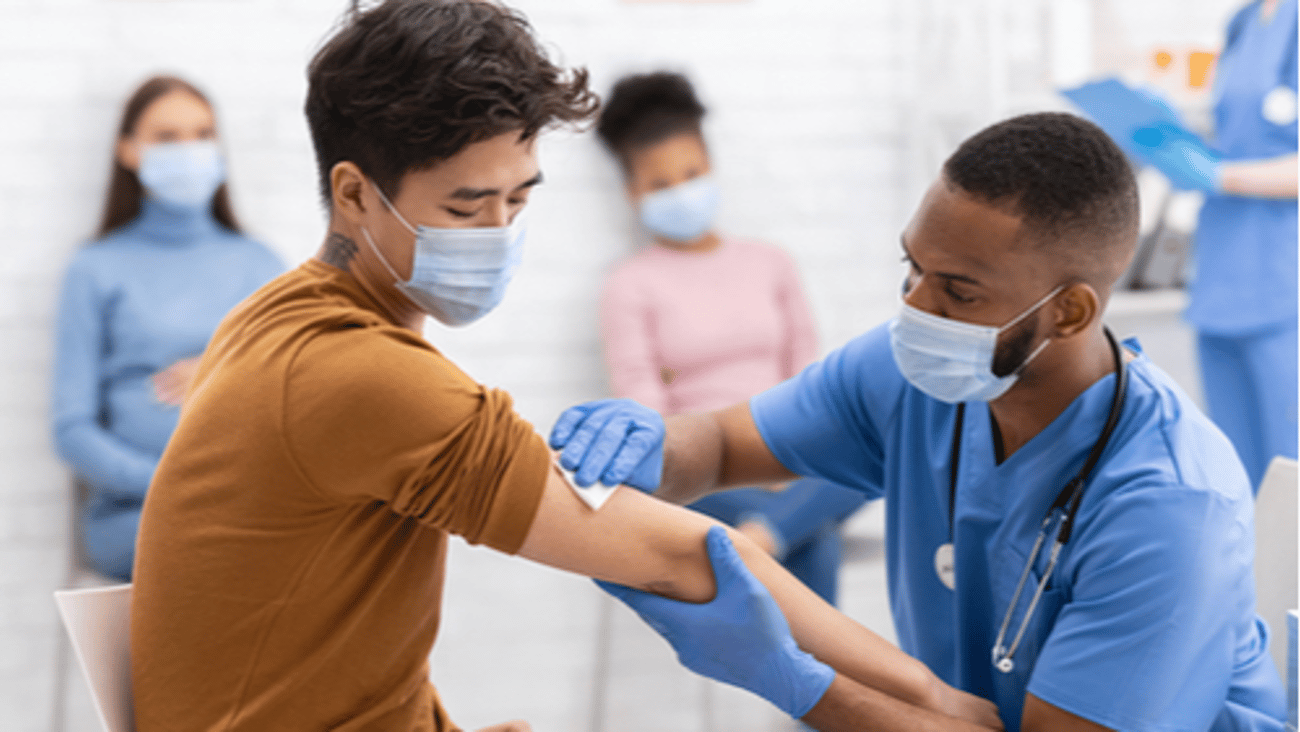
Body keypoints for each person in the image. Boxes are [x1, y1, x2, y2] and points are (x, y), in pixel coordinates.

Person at [128, 2, 1002, 731]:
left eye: (517, 199)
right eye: (466, 207)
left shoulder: (273, 317)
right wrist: (934, 701)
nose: (499, 234)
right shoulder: (361, 375)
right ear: (355, 193)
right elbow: (685, 554)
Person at [554, 112, 1287, 731]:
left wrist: (796, 681)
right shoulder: (908, 372)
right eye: (912, 269)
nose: (915, 309)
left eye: (958, 293)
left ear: (1069, 312)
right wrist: (654, 446)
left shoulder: (1168, 505)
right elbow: (719, 445)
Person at [595, 71, 866, 604]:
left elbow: (807, 379)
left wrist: (783, 458)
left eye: (691, 173)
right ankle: (783, 535)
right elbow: (646, 412)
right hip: (701, 473)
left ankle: (762, 540)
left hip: (789, 451)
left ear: (712, 167)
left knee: (871, 449)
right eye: (660, 184)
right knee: (816, 533)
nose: (680, 191)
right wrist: (739, 464)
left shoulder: (771, 263)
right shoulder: (628, 285)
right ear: (633, 192)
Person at [51, 75, 283, 581]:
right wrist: (170, 483)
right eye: (167, 137)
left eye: (203, 134)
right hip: (136, 514)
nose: (189, 150)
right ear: (128, 151)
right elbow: (72, 429)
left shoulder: (262, 265)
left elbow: (296, 393)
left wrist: (221, 369)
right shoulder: (94, 268)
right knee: (223, 551)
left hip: (247, 501)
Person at [1181, 0, 1298, 490]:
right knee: (1235, 475)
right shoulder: (1243, 21)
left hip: (1284, 280)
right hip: (1223, 274)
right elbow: (1234, 134)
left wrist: (1221, 176)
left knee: (1290, 470)